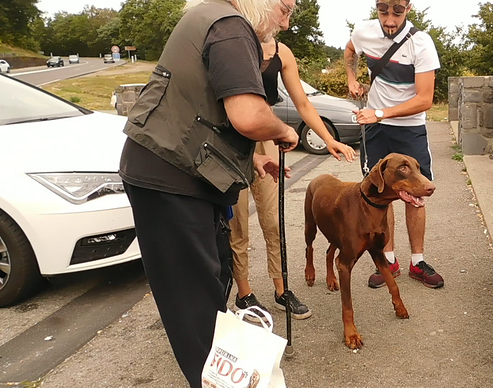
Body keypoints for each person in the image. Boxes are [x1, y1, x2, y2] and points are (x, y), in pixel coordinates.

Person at [118, 0, 299, 387]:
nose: (285, 23)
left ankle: (221, 375)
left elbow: (197, 107)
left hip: (175, 174)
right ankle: (216, 380)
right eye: (285, 9)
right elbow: (248, 115)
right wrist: (283, 132)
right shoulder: (231, 26)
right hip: (170, 182)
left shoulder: (213, 19)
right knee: (196, 306)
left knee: (212, 282)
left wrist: (250, 164)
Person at [231, 35, 356, 320]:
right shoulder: (235, 43)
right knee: (238, 224)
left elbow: (302, 103)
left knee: (273, 221)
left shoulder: (282, 52)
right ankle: (244, 293)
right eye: (284, 7)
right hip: (232, 138)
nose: (287, 14)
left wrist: (328, 139)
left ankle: (281, 290)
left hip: (265, 133)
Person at [345, 0, 445, 289]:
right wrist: (352, 78)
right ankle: (388, 259)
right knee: (380, 193)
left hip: (409, 129)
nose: (390, 19)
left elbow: (425, 99)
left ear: (408, 8)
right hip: (377, 130)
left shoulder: (421, 43)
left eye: (397, 11)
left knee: (416, 196)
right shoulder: (363, 32)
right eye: (383, 10)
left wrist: (380, 112)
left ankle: (417, 261)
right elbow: (350, 50)